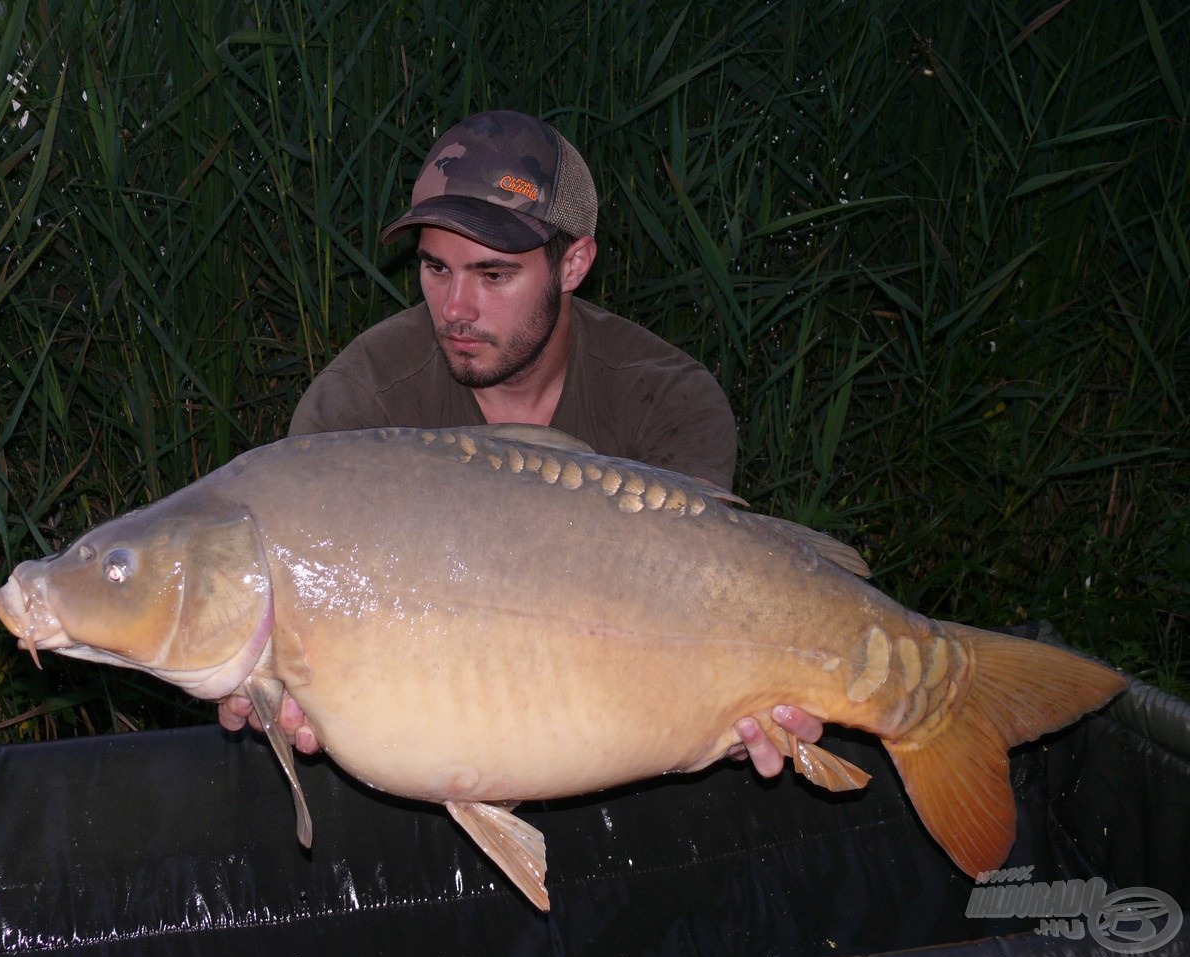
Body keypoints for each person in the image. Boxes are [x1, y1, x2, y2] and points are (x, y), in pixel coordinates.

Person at [218, 109, 823, 779]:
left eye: (494, 275)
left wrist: (743, 701)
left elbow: (702, 621)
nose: (455, 310)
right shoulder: (357, 411)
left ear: (574, 265)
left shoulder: (669, 402)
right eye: (435, 269)